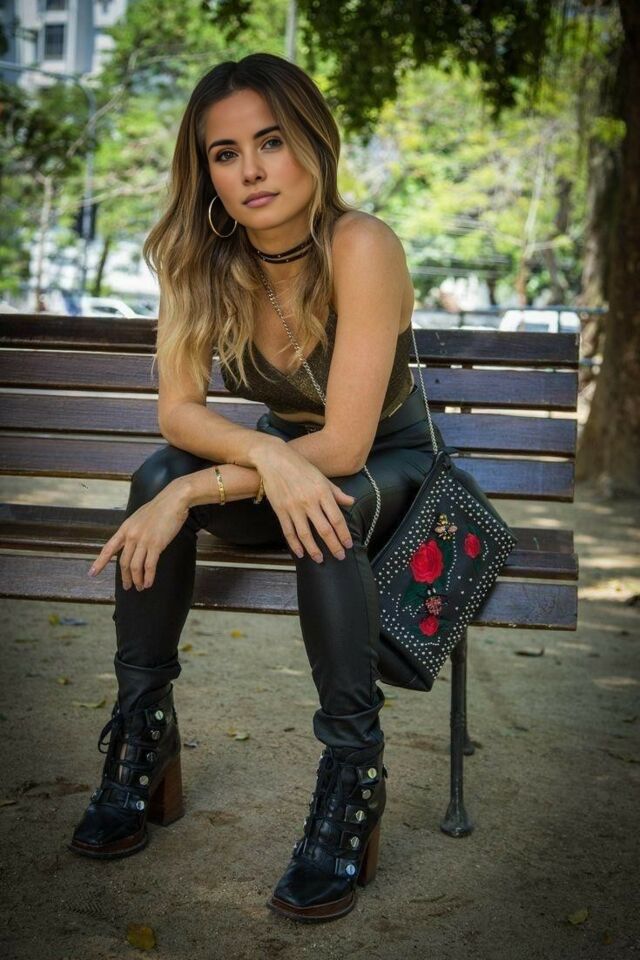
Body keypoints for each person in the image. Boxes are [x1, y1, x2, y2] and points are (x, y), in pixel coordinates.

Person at [68, 52, 440, 923]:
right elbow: (177, 414)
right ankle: (143, 730)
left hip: (388, 468)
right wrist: (251, 464)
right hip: (291, 461)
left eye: (270, 142)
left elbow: (345, 444)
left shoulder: (362, 245)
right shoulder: (196, 258)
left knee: (321, 508)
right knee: (159, 473)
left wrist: (199, 493)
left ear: (312, 142)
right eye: (226, 153)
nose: (251, 170)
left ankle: (353, 771)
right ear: (207, 172)